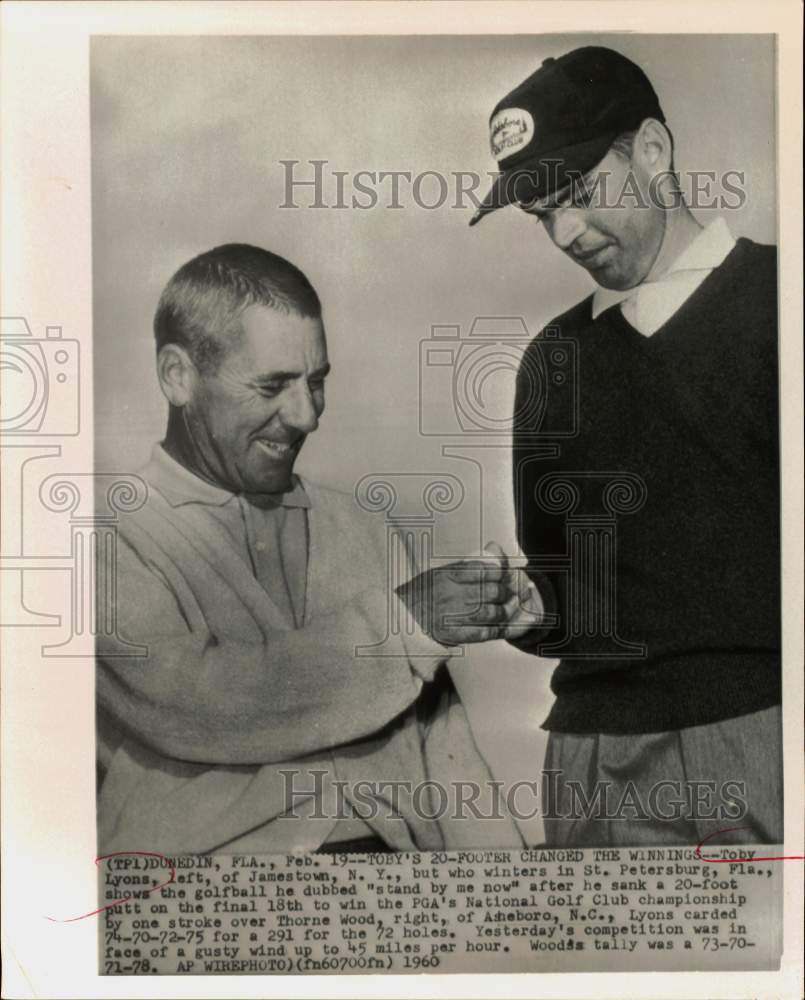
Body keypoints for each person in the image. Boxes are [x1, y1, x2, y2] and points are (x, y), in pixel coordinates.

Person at [97, 243, 530, 855]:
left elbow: (443, 751)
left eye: (316, 382)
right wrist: (402, 628)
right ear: (178, 376)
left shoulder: (361, 525)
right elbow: (202, 704)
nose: (305, 416)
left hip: (400, 889)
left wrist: (518, 898)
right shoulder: (111, 541)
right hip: (200, 904)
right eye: (273, 385)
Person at [471, 46, 781, 846]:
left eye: (575, 194)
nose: (565, 232)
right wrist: (527, 610)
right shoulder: (553, 360)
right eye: (541, 213)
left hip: (762, 736)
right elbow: (566, 598)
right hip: (587, 755)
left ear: (651, 151)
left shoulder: (781, 306)